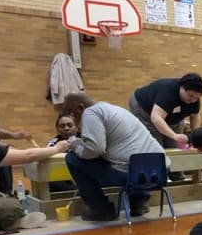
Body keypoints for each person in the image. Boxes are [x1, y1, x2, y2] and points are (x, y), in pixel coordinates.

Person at [63, 92, 169, 221]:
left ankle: (101, 209)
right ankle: (138, 203)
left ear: (80, 107)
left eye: (72, 113)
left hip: (132, 176)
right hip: (161, 172)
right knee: (135, 159)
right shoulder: (115, 109)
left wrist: (75, 145)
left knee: (72, 159)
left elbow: (94, 150)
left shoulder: (90, 113)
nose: (72, 118)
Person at [128, 73, 202, 148]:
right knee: (155, 145)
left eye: (196, 98)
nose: (192, 100)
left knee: (174, 145)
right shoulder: (167, 92)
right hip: (144, 109)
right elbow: (156, 118)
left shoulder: (194, 99)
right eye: (190, 95)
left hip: (169, 114)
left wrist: (196, 136)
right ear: (181, 87)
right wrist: (174, 135)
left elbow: (195, 116)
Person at [46, 112, 80, 192]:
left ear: (76, 127)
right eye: (62, 126)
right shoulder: (52, 143)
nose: (66, 128)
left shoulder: (85, 139)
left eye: (70, 125)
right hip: (62, 178)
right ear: (57, 129)